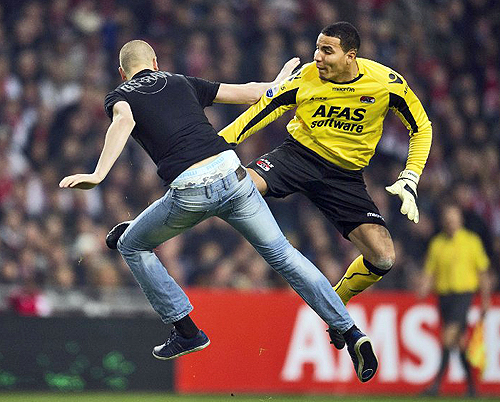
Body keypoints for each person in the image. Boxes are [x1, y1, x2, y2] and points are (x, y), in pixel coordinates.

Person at [59, 40, 378, 382]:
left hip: (191, 191)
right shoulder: (181, 81)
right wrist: (279, 81)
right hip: (234, 176)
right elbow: (251, 93)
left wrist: (98, 174)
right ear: (155, 61)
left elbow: (122, 121)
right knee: (286, 256)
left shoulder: (121, 95)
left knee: (132, 245)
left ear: (122, 73)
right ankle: (351, 331)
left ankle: (186, 330)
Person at [218, 21, 433, 349]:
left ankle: (335, 303)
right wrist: (217, 145)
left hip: (344, 177)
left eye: (327, 51)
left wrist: (411, 176)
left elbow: (421, 127)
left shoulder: (387, 84)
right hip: (298, 156)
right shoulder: (306, 77)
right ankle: (155, 225)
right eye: (317, 48)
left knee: (384, 257)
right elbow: (264, 110)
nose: (317, 57)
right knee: (230, 186)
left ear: (350, 56)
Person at [419, 203, 491, 397]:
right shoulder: (437, 243)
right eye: (447, 219)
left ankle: (435, 385)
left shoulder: (471, 242)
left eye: (453, 218)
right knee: (460, 343)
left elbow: (482, 272)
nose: (450, 222)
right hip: (444, 297)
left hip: (463, 295)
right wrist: (423, 287)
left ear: (460, 220)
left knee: (448, 336)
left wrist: (485, 300)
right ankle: (472, 388)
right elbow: (429, 271)